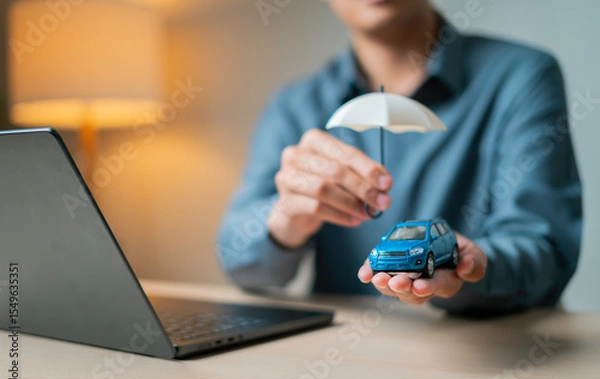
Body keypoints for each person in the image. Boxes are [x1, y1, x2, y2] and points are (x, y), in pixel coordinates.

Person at [217, 0, 582, 315]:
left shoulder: (522, 77)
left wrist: (472, 269)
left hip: (489, 353)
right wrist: (284, 221)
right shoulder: (294, 106)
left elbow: (547, 251)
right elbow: (237, 259)